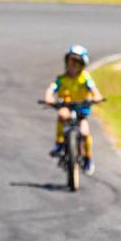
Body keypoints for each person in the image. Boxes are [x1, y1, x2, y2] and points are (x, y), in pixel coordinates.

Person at [43, 45, 103, 175]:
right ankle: (59, 143)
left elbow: (94, 91)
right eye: (70, 61)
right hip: (67, 107)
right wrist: (48, 97)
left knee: (85, 132)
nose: (72, 65)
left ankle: (88, 158)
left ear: (82, 64)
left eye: (76, 62)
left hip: (81, 110)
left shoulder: (85, 78)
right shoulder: (62, 78)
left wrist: (97, 97)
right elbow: (51, 89)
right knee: (62, 114)